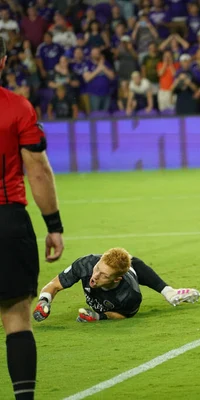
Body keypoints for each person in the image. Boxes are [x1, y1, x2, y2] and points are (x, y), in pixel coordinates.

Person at [0, 37, 65, 400]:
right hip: (6, 221)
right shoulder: (17, 108)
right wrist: (53, 226)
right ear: (3, 62)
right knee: (15, 318)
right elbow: (37, 169)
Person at [33, 248, 200, 323]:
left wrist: (99, 316)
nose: (94, 276)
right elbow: (53, 285)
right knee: (131, 261)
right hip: (122, 271)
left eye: (103, 275)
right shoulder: (86, 264)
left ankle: (168, 291)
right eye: (97, 268)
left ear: (116, 280)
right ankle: (168, 291)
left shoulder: (130, 295)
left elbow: (124, 315)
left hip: (128, 281)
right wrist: (43, 302)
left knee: (134, 265)